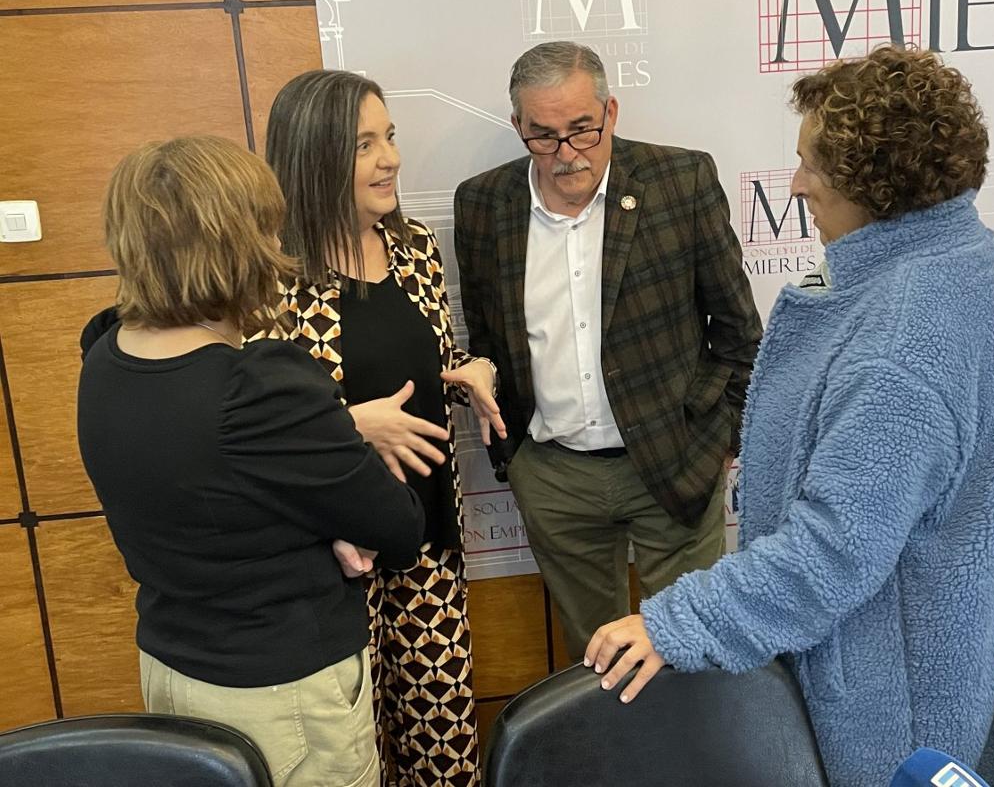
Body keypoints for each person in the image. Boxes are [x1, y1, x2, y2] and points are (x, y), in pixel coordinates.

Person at [585, 44, 994, 787]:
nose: (797, 183)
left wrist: (680, 622)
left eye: (812, 165)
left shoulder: (902, 340)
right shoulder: (969, 262)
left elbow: (834, 552)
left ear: (874, 184)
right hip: (967, 653)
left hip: (902, 705)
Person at [78, 135, 427, 787]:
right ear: (237, 244)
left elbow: (219, 479)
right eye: (267, 228)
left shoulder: (105, 354)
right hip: (281, 696)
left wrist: (324, 498)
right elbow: (400, 526)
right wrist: (337, 512)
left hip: (172, 671)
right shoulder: (258, 387)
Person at [454, 41, 763, 659]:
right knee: (593, 663)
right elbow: (487, 334)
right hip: (553, 476)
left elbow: (738, 330)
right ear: (517, 125)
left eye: (582, 130)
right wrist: (513, 451)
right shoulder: (484, 203)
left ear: (611, 113)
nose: (567, 153)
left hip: (675, 460)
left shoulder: (679, 181)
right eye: (544, 136)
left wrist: (718, 438)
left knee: (689, 651)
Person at [264, 69, 503, 787]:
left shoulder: (415, 248)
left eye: (389, 137)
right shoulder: (270, 276)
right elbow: (251, 427)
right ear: (314, 157)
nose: (391, 158)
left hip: (427, 542)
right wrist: (346, 425)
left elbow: (422, 362)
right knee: (351, 756)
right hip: (336, 560)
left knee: (444, 749)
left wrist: (469, 371)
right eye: (365, 145)